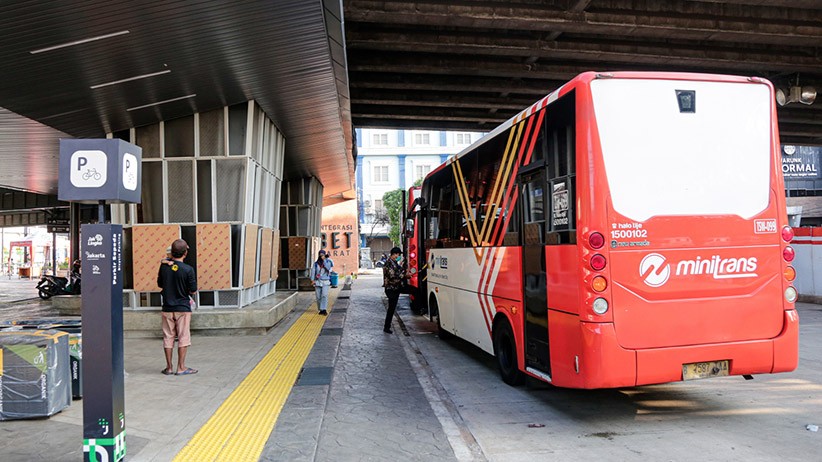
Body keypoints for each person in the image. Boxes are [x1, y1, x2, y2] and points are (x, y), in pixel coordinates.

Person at [157, 239, 198, 376]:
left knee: (168, 337)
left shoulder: (164, 267)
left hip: (167, 308)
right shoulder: (188, 270)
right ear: (185, 253)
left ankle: (168, 367)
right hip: (183, 308)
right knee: (183, 337)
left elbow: (160, 284)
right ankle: (181, 368)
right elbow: (193, 290)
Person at [382, 246, 407, 334]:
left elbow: (399, 270)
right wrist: (404, 276)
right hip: (391, 288)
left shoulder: (395, 263)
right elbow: (392, 275)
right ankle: (386, 327)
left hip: (396, 288)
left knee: (392, 309)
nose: (398, 256)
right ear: (394, 254)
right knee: (391, 309)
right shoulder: (389, 263)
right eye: (398, 254)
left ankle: (387, 326)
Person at [310, 249, 333, 315]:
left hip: (325, 281)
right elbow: (313, 271)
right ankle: (320, 309)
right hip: (317, 281)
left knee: (324, 295)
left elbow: (330, 267)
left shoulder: (328, 262)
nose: (321, 256)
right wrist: (312, 280)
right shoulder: (316, 264)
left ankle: (324, 309)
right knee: (318, 296)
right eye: (320, 255)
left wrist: (325, 260)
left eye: (323, 255)